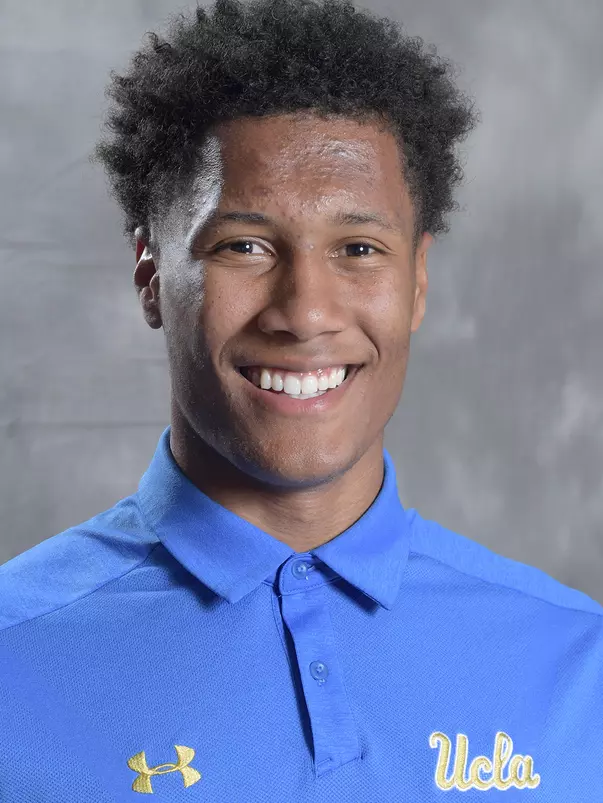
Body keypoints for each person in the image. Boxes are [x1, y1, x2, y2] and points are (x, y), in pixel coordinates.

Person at [1, 0, 601, 799]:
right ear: (151, 274)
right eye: (243, 245)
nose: (305, 312)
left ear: (417, 280)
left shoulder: (574, 658)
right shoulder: (16, 653)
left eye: (358, 249)